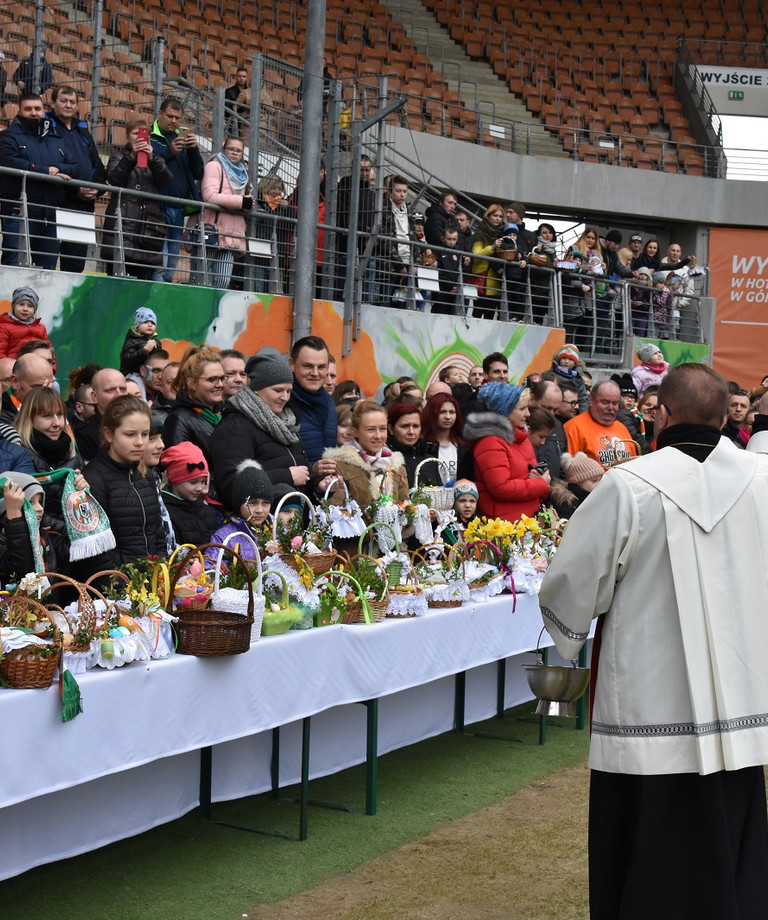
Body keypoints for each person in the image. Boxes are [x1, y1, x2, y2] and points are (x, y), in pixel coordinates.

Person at [539, 363, 768, 920]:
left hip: (647, 695)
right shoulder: (762, 480)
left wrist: (566, 642)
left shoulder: (629, 484)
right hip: (741, 694)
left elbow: (572, 584)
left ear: (661, 413)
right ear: (723, 416)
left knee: (647, 836)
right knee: (730, 826)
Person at [209, 353, 321, 511]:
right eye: (278, 390)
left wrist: (319, 484)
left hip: (291, 521)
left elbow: (300, 473)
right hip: (259, 527)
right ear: (256, 389)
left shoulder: (287, 423)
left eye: (289, 391)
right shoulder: (234, 427)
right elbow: (231, 485)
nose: (285, 397)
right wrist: (287, 476)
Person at [83, 395, 166, 570]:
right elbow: (96, 549)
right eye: (130, 434)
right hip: (115, 588)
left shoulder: (145, 474)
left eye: (145, 434)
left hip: (150, 582)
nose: (139, 442)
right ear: (109, 434)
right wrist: (122, 585)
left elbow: (157, 532)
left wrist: (160, 570)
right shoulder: (93, 479)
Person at [0, 93, 79, 268]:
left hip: (50, 216)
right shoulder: (8, 136)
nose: (33, 113)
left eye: (37, 108)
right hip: (19, 212)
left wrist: (58, 169)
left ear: (44, 111)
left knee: (47, 273)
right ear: (19, 111)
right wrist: (47, 171)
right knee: (13, 268)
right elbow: (11, 163)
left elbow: (74, 166)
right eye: (28, 109)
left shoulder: (55, 138)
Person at [463, 382, 550, 521]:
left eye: (527, 408)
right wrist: (540, 484)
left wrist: (539, 479)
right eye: (522, 408)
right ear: (505, 411)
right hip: (505, 526)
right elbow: (501, 488)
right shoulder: (490, 442)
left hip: (526, 521)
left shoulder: (521, 438)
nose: (528, 414)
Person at [101, 117, 174, 279]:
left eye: (145, 134)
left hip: (147, 233)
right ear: (128, 137)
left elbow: (167, 180)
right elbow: (114, 179)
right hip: (123, 226)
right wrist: (132, 157)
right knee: (117, 279)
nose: (140, 137)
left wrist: (152, 159)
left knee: (142, 285)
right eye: (136, 133)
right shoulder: (119, 156)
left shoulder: (155, 159)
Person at [45, 85, 105, 273]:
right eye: (63, 101)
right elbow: (48, 162)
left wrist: (97, 189)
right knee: (47, 260)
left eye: (72, 102)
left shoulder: (83, 131)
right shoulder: (46, 127)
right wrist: (76, 189)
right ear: (53, 103)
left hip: (83, 207)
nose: (68, 105)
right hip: (56, 203)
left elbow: (98, 166)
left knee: (75, 266)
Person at [150, 97, 204, 283]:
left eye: (177, 118)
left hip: (179, 208)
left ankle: (162, 294)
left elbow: (199, 172)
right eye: (170, 116)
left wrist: (193, 150)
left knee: (171, 263)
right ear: (160, 114)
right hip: (156, 207)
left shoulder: (180, 136)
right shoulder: (150, 136)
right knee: (160, 262)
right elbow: (148, 167)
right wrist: (169, 153)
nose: (173, 121)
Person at [323, 399, 410, 509]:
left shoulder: (397, 466)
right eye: (371, 429)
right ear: (355, 431)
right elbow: (336, 513)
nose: (378, 436)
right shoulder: (339, 466)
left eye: (382, 429)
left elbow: (405, 509)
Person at [199, 136, 253, 289]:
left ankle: (214, 312)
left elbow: (245, 202)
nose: (235, 153)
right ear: (224, 149)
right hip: (212, 230)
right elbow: (210, 196)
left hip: (232, 235)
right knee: (200, 279)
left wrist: (249, 204)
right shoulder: (214, 166)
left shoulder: (243, 174)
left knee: (222, 282)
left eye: (239, 151)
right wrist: (241, 202)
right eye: (231, 149)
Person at [162, 346, 224, 472]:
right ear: (191, 383)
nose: (220, 384)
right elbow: (180, 472)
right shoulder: (178, 419)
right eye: (212, 379)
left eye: (222, 378)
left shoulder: (223, 414)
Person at [288, 335, 338, 469]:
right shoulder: (282, 403)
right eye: (308, 366)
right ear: (292, 364)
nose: (315, 373)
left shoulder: (329, 403)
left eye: (321, 367)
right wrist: (312, 471)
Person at [564, 380, 637, 469]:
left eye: (615, 403)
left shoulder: (622, 428)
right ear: (591, 400)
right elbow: (568, 469)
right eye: (605, 402)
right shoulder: (573, 428)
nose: (610, 408)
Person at [159, 442, 218, 546]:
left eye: (203, 481)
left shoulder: (205, 510)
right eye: (193, 482)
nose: (200, 488)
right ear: (175, 480)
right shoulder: (166, 512)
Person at [210, 463, 274, 556]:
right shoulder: (224, 538)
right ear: (239, 504)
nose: (259, 510)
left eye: (265, 503)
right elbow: (212, 566)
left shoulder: (278, 532)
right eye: (252, 503)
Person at [71, 367, 128, 463]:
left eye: (123, 389)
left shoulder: (138, 424)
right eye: (110, 390)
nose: (119, 394)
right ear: (94, 396)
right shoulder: (85, 435)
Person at [386, 400, 441, 488]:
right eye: (405, 426)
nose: (411, 432)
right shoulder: (384, 459)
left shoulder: (429, 461)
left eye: (415, 426)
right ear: (391, 429)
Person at [421, 392, 473, 483]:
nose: (448, 417)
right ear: (432, 413)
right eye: (442, 412)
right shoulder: (423, 446)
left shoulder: (464, 446)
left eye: (452, 412)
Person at [470, 204, 506, 319]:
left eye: (500, 216)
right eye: (495, 215)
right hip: (482, 281)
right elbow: (476, 254)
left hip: (496, 283)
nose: (498, 219)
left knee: (490, 318)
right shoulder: (480, 232)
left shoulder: (504, 233)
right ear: (488, 216)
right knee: (477, 316)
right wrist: (492, 247)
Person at [547, 450, 604, 519]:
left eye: (600, 480)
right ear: (578, 482)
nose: (598, 484)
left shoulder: (598, 496)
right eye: (594, 481)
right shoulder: (567, 504)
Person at [0, 353, 54, 426]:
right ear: (15, 382)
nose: (45, 394)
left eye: (49, 386)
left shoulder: (55, 406)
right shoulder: (3, 412)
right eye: (38, 387)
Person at [0, 286, 52, 361]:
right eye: (21, 304)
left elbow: (48, 349)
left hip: (38, 367)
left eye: (30, 306)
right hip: (14, 368)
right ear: (13, 306)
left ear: (34, 310)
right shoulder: (4, 327)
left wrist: (51, 367)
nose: (25, 309)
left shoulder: (41, 328)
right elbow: (1, 353)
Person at [119, 307, 160, 377]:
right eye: (145, 322)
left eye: (153, 323)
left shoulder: (156, 342)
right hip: (133, 374)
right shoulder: (131, 341)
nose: (150, 325)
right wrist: (143, 351)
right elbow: (126, 360)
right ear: (137, 326)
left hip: (149, 375)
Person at [549, 344, 588, 412]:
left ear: (575, 363)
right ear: (559, 359)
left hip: (571, 413)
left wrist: (581, 417)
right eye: (564, 358)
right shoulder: (549, 374)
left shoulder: (578, 379)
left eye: (570, 359)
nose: (566, 362)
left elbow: (583, 399)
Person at [224, 65, 250, 136]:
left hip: (246, 123)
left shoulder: (250, 92)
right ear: (235, 77)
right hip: (233, 123)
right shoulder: (229, 91)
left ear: (247, 78)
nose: (241, 78)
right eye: (239, 76)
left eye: (244, 76)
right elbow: (226, 110)